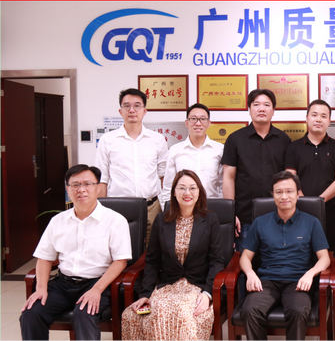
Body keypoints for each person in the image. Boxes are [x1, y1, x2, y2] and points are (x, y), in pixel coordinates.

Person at [20, 165, 131, 340]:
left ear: (98, 188)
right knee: (31, 313)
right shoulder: (58, 221)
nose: (81, 189)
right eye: (75, 185)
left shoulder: (115, 221)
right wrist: (41, 288)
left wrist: (96, 290)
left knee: (84, 314)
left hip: (97, 283)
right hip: (63, 285)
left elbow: (120, 261)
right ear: (68, 190)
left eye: (87, 184)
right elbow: (45, 258)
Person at [122, 170, 224, 340]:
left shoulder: (210, 220)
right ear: (174, 193)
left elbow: (217, 261)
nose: (187, 193)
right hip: (167, 285)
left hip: (196, 286)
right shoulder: (162, 220)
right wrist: (145, 294)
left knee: (181, 313)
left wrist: (208, 293)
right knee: (139, 314)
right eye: (182, 188)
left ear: (199, 192)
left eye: (192, 188)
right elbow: (152, 261)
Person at [239, 171, 330, 340]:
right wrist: (250, 274)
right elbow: (245, 256)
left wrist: (310, 274)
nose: (284, 196)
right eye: (279, 192)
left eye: (289, 191)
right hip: (267, 282)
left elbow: (324, 258)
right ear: (272, 194)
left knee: (298, 311)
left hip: (298, 282)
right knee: (250, 310)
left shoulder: (311, 222)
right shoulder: (260, 222)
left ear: (298, 193)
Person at [95, 88, 168, 243]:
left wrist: (166, 205)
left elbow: (164, 176)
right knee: (119, 248)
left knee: (152, 249)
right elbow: (102, 178)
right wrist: (101, 210)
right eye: (127, 106)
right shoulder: (107, 140)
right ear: (120, 111)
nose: (132, 110)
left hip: (151, 207)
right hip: (118, 207)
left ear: (144, 111)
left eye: (137, 106)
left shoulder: (157, 139)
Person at [222, 89, 291, 251]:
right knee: (245, 261)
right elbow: (228, 177)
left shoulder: (284, 140)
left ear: (273, 110)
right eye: (256, 104)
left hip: (278, 215)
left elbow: (288, 178)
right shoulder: (235, 139)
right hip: (245, 216)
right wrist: (231, 213)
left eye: (266, 105)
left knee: (278, 260)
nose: (261, 109)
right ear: (249, 109)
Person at [285, 99, 335, 251]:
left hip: (331, 211)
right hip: (299, 210)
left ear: (329, 121)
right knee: (300, 254)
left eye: (323, 116)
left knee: (330, 254)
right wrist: (306, 202)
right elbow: (290, 179)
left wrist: (319, 202)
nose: (318, 119)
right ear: (307, 118)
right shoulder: (293, 147)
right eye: (314, 115)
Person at [159, 103, 223, 207]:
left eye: (203, 119)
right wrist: (167, 210)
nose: (198, 123)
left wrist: (223, 209)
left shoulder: (219, 150)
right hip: (182, 209)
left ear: (209, 123)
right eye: (193, 119)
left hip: (211, 207)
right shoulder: (175, 150)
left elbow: (222, 184)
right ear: (186, 123)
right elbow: (168, 186)